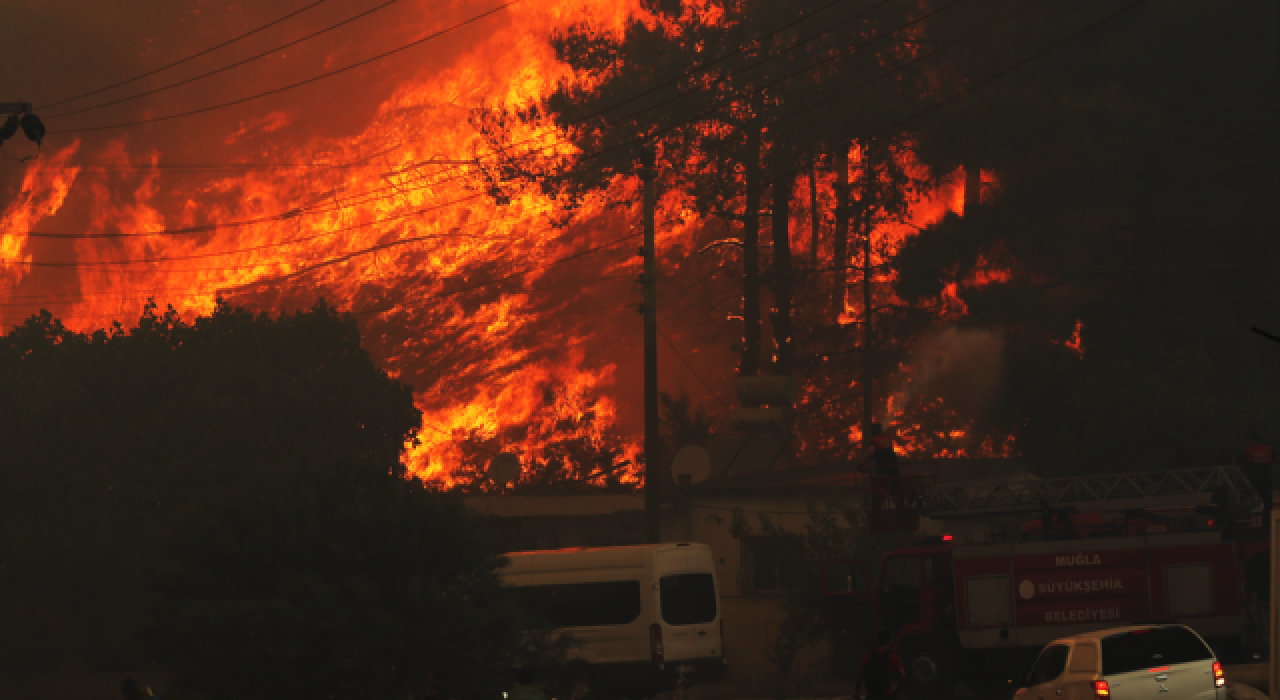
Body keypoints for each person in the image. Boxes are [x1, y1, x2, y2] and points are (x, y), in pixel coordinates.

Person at [855, 629, 905, 700]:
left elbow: (859, 674)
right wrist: (897, 691)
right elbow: (903, 675)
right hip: (887, 695)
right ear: (891, 641)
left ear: (878, 641)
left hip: (871, 695)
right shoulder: (894, 657)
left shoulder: (869, 655)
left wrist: (857, 691)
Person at [1239, 433, 1274, 511]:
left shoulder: (1248, 450)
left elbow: (1237, 460)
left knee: (1251, 503)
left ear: (1252, 441)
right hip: (1266, 481)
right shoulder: (1268, 449)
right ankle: (1267, 521)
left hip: (1253, 481)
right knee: (1267, 504)